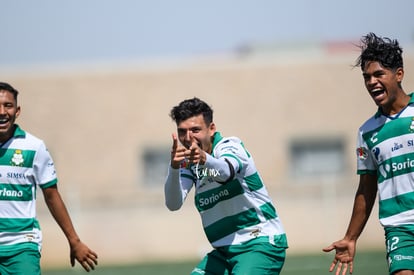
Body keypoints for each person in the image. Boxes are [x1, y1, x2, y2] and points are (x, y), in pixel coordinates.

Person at [323, 33, 414, 275]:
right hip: (400, 227)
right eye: (367, 77)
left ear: (399, 74)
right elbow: (366, 187)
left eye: (378, 74)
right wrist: (351, 237)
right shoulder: (367, 132)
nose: (372, 82)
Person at [164, 97, 288, 274]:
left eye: (195, 130)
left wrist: (204, 159)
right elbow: (173, 203)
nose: (188, 137)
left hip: (259, 243)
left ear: (211, 128)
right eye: (182, 131)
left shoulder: (229, 146)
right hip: (223, 251)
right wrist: (174, 167)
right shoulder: (187, 163)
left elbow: (226, 172)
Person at [0, 82, 98, 274]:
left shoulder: (34, 147)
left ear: (17, 111)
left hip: (22, 246)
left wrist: (74, 241)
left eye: (8, 106)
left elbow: (52, 196)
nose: (2, 111)